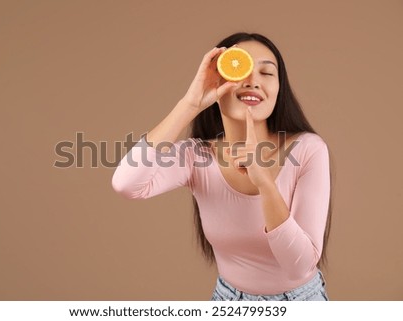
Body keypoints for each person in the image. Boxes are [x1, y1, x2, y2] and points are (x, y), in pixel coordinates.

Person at [112, 32, 333, 301]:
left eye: (266, 73)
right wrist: (190, 104)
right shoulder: (197, 156)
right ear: (217, 80)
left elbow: (300, 266)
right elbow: (126, 184)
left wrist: (265, 184)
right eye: (241, 68)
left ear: (279, 89)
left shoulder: (309, 149)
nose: (253, 81)